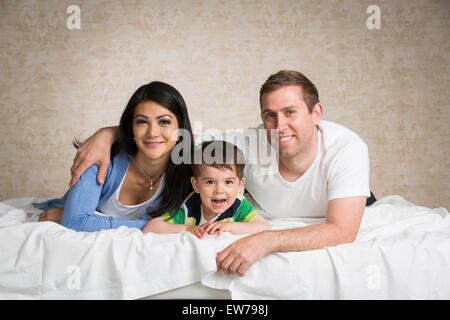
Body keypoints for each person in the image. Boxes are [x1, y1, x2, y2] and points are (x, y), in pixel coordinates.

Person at [68, 70, 373, 275]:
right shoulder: (251, 144)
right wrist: (109, 134)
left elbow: (342, 231)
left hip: (349, 199)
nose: (279, 125)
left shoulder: (347, 149)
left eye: (290, 112)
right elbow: (173, 137)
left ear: (316, 113)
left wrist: (266, 241)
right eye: (270, 115)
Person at [34, 81, 194, 232]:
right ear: (131, 126)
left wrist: (94, 219)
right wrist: (155, 227)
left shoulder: (190, 170)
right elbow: (75, 222)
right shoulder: (101, 158)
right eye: (141, 122)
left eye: (164, 122)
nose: (152, 133)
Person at [143, 141, 270, 238]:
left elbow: (264, 227)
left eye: (228, 182)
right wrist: (187, 228)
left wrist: (229, 227)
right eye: (210, 182)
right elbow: (151, 227)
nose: (219, 190)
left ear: (240, 185)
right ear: (196, 185)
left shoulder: (239, 204)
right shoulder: (188, 207)